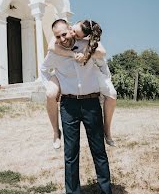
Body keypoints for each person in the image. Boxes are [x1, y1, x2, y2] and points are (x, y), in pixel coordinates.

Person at [41, 18, 119, 194]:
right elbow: (43, 69)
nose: (62, 38)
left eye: (64, 34)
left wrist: (87, 53)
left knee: (99, 153)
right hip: (68, 106)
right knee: (71, 154)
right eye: (58, 36)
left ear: (71, 31)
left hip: (91, 103)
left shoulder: (88, 45)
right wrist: (51, 87)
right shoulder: (54, 52)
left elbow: (102, 53)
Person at [46, 19, 117, 149]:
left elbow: (103, 53)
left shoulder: (87, 41)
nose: (72, 34)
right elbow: (51, 47)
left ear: (85, 37)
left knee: (112, 94)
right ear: (71, 25)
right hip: (67, 80)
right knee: (50, 93)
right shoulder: (63, 31)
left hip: (97, 72)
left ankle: (107, 130)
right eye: (72, 30)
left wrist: (86, 55)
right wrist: (72, 54)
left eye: (76, 35)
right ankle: (56, 132)